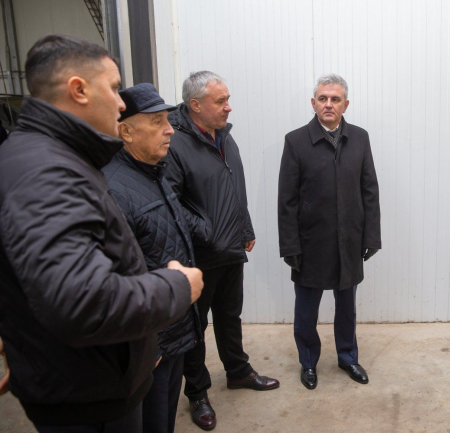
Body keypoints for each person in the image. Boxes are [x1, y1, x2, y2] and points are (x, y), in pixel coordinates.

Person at [0, 34, 204, 432]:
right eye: (112, 87)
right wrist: (177, 287)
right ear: (78, 90)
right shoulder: (49, 174)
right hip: (89, 395)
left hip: (80, 374)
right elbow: (84, 302)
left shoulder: (39, 155)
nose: (121, 102)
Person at [164, 71, 279, 431]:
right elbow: (169, 202)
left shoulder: (225, 136)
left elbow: (234, 187)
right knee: (195, 327)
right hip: (199, 255)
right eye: (220, 101)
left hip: (231, 248)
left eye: (227, 99)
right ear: (195, 105)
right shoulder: (174, 143)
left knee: (230, 316)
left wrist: (245, 226)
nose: (229, 107)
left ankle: (238, 371)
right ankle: (197, 393)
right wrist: (207, 233)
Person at [102, 83, 210, 433]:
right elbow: (116, 279)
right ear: (126, 132)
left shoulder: (154, 172)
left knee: (165, 418)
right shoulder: (113, 189)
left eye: (168, 120)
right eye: (157, 122)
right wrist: (147, 344)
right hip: (150, 340)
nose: (169, 130)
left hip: (173, 327)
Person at [278, 73, 381, 390]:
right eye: (322, 98)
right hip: (310, 243)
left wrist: (371, 236)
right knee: (306, 310)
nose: (328, 104)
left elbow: (369, 191)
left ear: (345, 105)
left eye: (335, 99)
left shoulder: (359, 139)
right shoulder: (296, 141)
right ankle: (308, 361)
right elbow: (287, 200)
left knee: (347, 307)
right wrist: (290, 246)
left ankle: (348, 357)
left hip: (349, 241)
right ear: (313, 103)